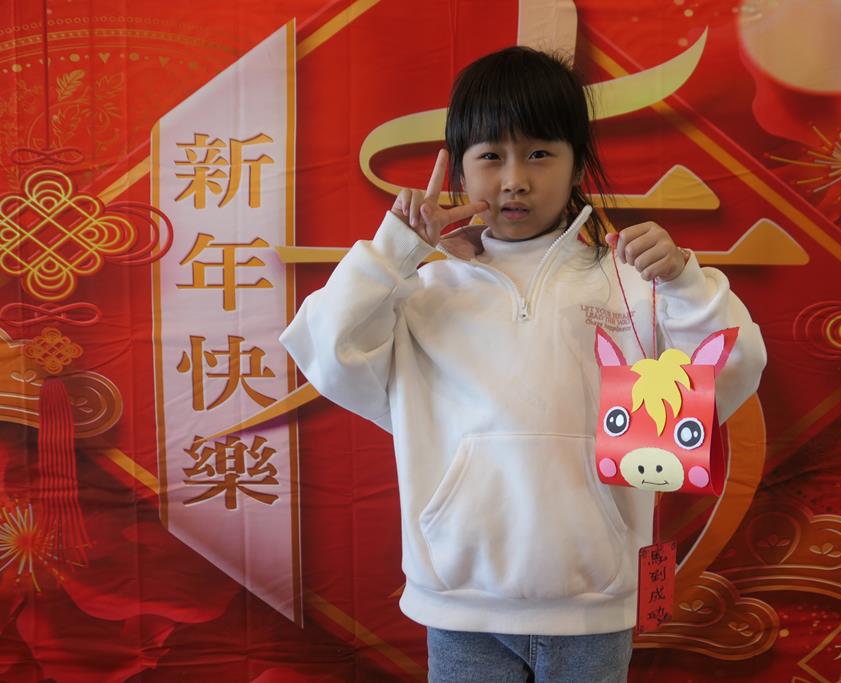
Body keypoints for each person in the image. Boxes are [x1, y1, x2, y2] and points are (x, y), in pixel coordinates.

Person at [280, 46, 767, 683]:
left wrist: (684, 284)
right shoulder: (424, 292)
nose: (514, 179)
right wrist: (394, 250)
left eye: (539, 153)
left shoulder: (634, 285)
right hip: (461, 607)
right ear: (458, 165)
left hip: (595, 607)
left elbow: (733, 370)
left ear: (577, 163)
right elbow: (326, 350)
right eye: (490, 155)